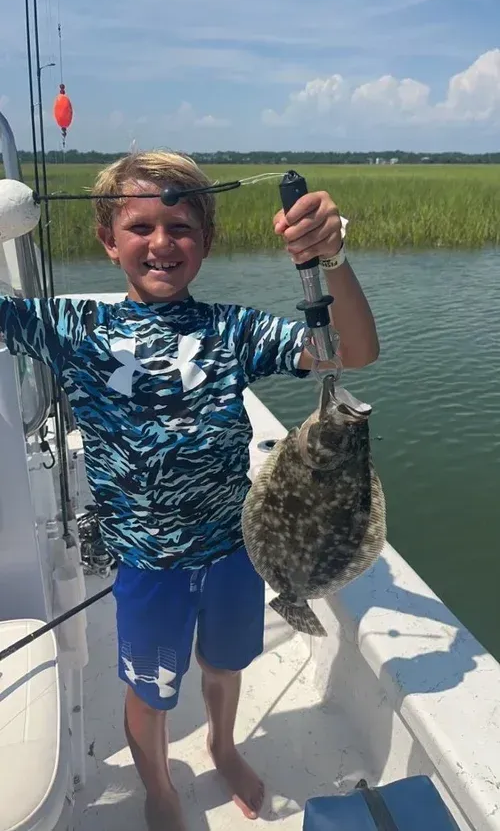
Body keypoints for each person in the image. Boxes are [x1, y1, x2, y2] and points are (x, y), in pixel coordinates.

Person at [0, 151, 379, 831]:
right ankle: (159, 784)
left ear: (205, 242)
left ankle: (222, 745)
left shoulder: (232, 330)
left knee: (225, 665)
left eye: (180, 227)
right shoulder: (71, 326)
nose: (161, 243)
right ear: (107, 241)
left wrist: (332, 257)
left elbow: (349, 351)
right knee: (150, 690)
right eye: (140, 226)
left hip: (237, 549)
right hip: (148, 566)